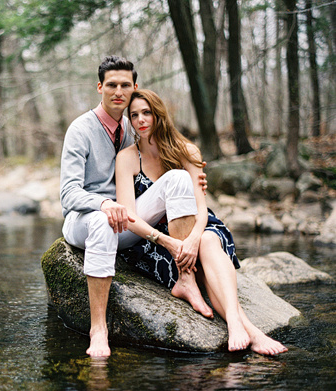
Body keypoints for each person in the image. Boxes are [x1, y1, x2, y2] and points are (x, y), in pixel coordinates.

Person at [115, 89, 288, 356]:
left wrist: (195, 236)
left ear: (159, 114)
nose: (141, 120)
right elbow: (130, 215)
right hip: (156, 237)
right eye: (134, 114)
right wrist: (173, 242)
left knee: (208, 240)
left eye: (147, 112)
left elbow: (200, 206)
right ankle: (251, 330)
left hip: (197, 224)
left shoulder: (187, 150)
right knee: (201, 258)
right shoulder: (127, 157)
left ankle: (236, 324)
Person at [60, 56, 209, 358]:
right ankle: (98, 329)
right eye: (111, 84)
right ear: (100, 87)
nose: (118, 91)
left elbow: (165, 155)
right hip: (85, 221)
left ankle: (186, 279)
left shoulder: (134, 125)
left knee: (177, 180)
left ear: (134, 87)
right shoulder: (80, 130)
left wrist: (196, 175)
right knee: (103, 222)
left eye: (125, 85)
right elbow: (68, 194)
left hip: (126, 221)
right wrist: (102, 203)